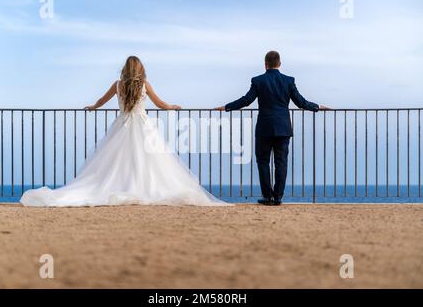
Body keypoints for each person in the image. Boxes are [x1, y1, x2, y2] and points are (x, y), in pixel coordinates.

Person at [20, 56, 228, 207]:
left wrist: (92, 107)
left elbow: (101, 101)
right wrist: (173, 107)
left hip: (123, 125)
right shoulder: (144, 84)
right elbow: (160, 103)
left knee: (116, 162)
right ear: (140, 69)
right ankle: (139, 187)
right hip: (143, 126)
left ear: (125, 69)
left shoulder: (118, 84)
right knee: (148, 162)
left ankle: (123, 186)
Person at [215, 51, 328, 206]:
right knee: (281, 163)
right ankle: (278, 197)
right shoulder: (289, 81)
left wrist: (226, 107)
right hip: (283, 128)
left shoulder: (258, 80)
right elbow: (301, 102)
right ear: (279, 64)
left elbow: (246, 100)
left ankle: (267, 197)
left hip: (265, 127)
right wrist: (318, 107)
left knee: (263, 161)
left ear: (265, 64)